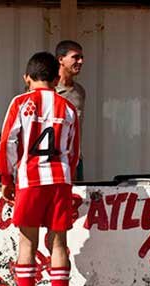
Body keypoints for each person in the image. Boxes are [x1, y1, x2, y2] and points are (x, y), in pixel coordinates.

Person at [0, 51, 80, 286]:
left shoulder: (21, 102)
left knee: (27, 242)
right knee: (59, 244)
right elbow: (73, 151)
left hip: (30, 181)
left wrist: (6, 178)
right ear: (57, 78)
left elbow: (7, 143)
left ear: (27, 77)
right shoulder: (67, 108)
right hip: (60, 181)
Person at [55, 40, 85, 181]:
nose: (80, 61)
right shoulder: (49, 88)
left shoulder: (79, 91)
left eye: (81, 58)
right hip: (53, 161)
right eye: (75, 57)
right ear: (61, 59)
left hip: (75, 159)